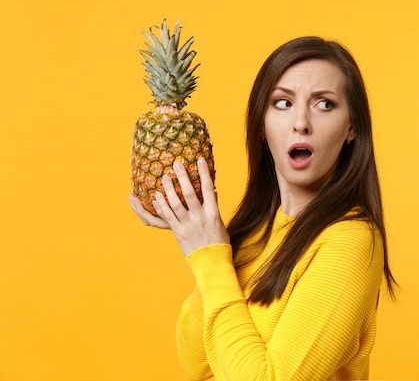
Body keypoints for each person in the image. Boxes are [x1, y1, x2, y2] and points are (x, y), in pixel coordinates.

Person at [129, 36, 397, 381]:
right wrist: (207, 249)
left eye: (324, 105)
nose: (301, 122)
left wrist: (208, 254)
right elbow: (198, 364)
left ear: (352, 128)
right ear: (261, 126)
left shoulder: (352, 239)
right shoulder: (252, 231)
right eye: (283, 103)